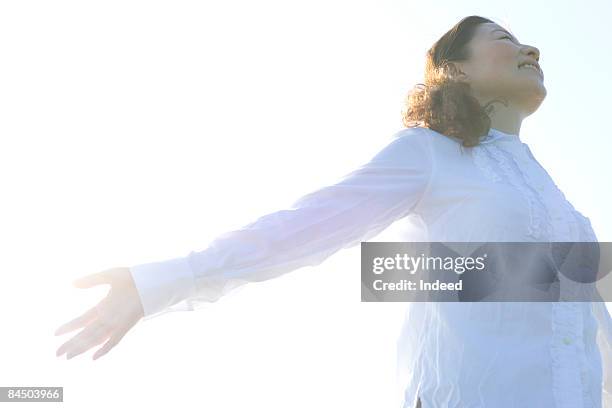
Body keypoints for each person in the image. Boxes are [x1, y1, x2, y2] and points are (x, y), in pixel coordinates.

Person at [55, 15, 611, 407]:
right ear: (455, 69)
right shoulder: (428, 154)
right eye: (505, 38)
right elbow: (307, 227)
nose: (530, 49)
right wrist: (165, 281)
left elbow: (590, 318)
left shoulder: (552, 193)